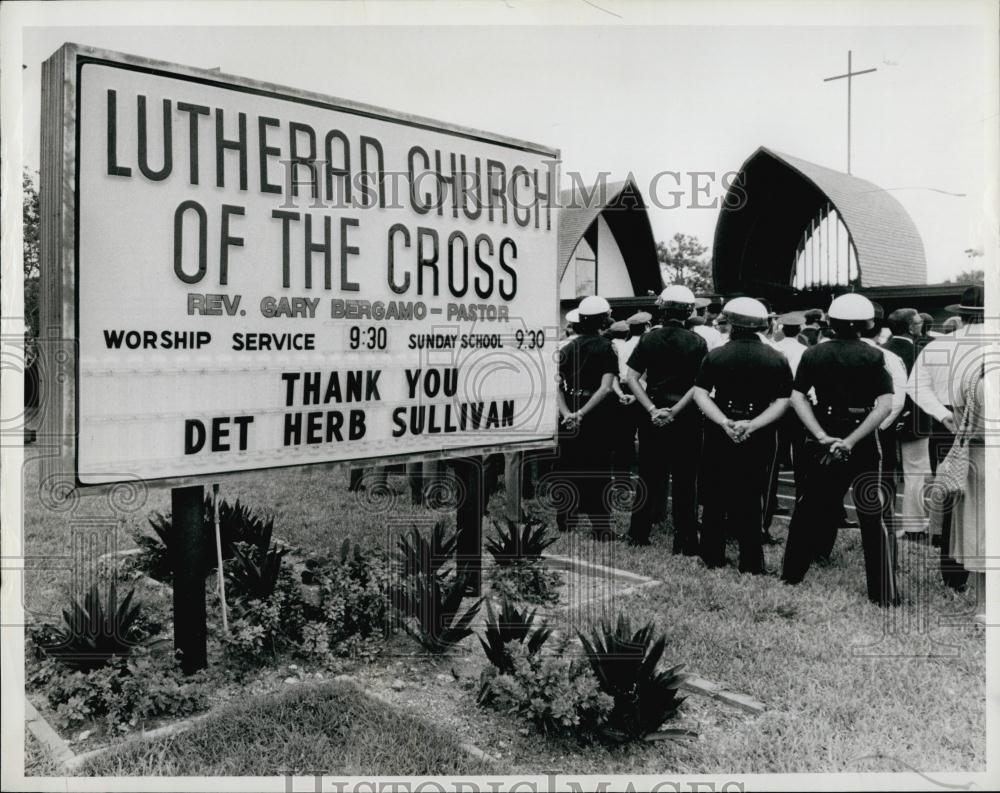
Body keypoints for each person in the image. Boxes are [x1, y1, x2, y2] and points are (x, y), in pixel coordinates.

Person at [781, 293, 899, 607]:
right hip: (860, 435)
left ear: (830, 322)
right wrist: (852, 440)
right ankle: (884, 592)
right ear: (867, 324)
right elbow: (885, 405)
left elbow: (797, 397)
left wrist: (820, 434)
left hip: (824, 430)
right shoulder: (875, 356)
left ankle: (791, 575)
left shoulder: (814, 353)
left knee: (809, 506)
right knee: (872, 514)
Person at [693, 298, 792, 573]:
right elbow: (783, 401)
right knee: (751, 495)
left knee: (714, 495)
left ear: (732, 324)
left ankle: (711, 555)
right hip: (759, 431)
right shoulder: (777, 357)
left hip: (719, 428)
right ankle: (751, 562)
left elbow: (700, 394)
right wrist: (753, 424)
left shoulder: (715, 355)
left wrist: (725, 421)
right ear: (762, 326)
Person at [906, 285, 986, 589]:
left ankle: (953, 573)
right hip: (985, 419)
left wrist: (941, 413)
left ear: (962, 314)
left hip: (949, 420)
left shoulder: (940, 345)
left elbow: (915, 386)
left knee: (953, 491)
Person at [625, 285, 708, 549]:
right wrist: (676, 410)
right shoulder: (697, 342)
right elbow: (699, 385)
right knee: (686, 479)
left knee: (649, 476)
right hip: (686, 415)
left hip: (653, 414)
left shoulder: (648, 339)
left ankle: (638, 534)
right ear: (689, 312)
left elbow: (632, 378)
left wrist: (651, 408)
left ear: (662, 309)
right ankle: (685, 538)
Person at [555, 296, 618, 540]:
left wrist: (568, 413)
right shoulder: (606, 347)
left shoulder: (568, 347)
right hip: (597, 413)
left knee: (568, 465)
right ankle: (600, 526)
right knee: (598, 469)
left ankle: (565, 518)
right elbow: (606, 388)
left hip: (570, 408)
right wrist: (582, 413)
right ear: (604, 319)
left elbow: (556, 386)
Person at [883, 308, 932, 541]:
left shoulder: (882, 350)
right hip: (916, 418)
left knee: (884, 471)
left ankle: (885, 521)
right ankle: (914, 525)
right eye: (918, 321)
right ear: (911, 327)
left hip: (884, 417)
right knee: (915, 472)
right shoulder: (921, 352)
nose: (921, 324)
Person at [860, 305, 908, 536]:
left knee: (828, 490)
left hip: (834, 426)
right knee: (882, 487)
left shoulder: (821, 352)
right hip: (878, 428)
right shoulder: (889, 357)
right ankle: (885, 540)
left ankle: (819, 546)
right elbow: (897, 399)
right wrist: (877, 425)